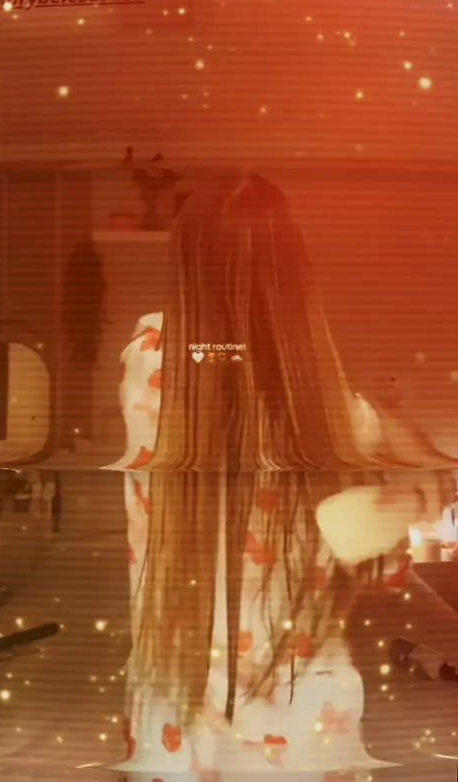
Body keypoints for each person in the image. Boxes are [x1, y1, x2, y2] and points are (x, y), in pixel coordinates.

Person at [108, 176, 456, 780]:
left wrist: (421, 469)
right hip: (219, 703)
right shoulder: (166, 355)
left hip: (269, 704)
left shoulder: (296, 381)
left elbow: (395, 443)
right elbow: (219, 363)